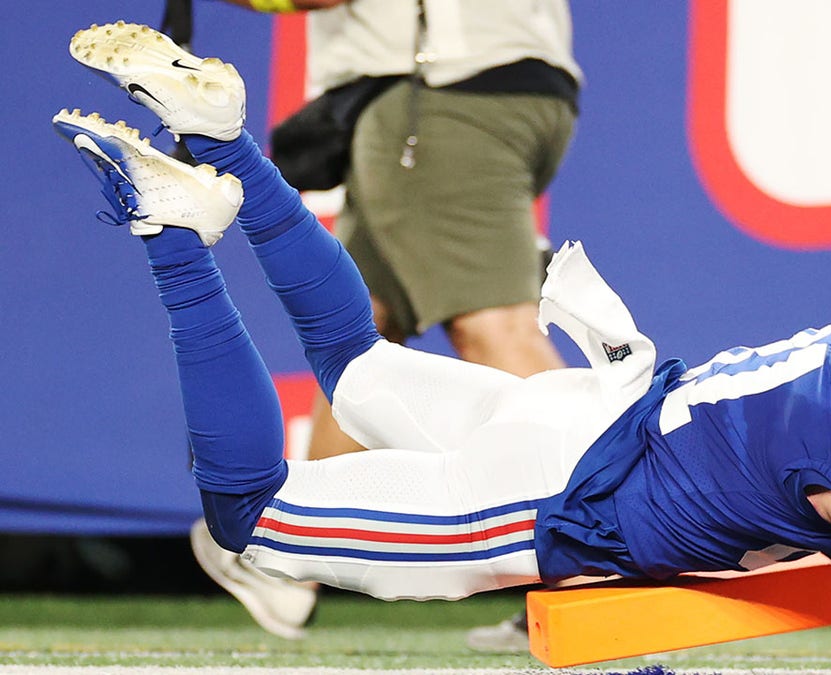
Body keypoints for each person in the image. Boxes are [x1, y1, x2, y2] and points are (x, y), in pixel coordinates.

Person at [56, 23, 831, 674]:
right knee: (251, 517)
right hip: (564, 491)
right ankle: (177, 236)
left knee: (357, 368)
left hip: (590, 412)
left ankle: (228, 137)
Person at [197, 0, 583, 645]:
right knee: (360, 337)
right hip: (496, 80)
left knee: (494, 329)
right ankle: (289, 561)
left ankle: (603, 567)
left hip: (440, 91)